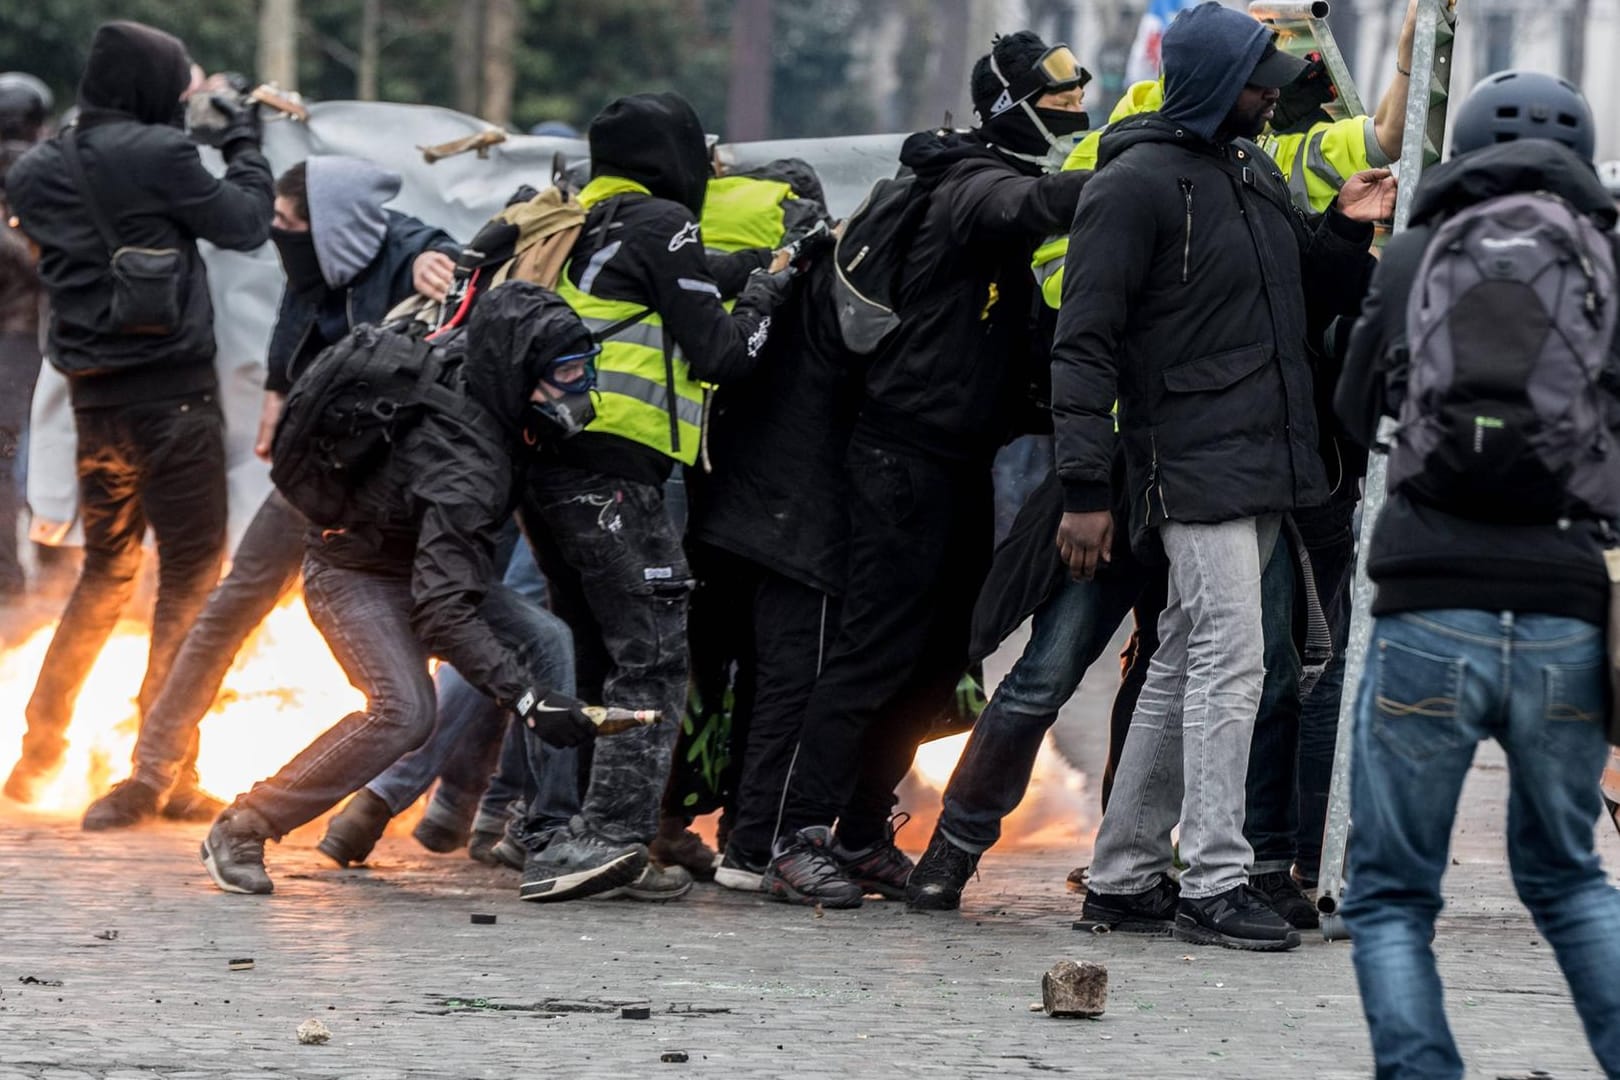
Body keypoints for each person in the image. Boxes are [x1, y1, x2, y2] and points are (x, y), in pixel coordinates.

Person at [1052, 2, 1387, 951]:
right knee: (1230, 667)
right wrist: (1084, 489)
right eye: (1258, 85)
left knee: (1185, 663)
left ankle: (1121, 878)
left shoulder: (1246, 172)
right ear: (1209, 86)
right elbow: (1081, 347)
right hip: (1192, 464)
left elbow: (1297, 293)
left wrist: (1341, 227)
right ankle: (1214, 881)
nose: (1272, 102)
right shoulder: (1131, 186)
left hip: (1265, 463)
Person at [760, 31, 1092, 909]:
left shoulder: (990, 183)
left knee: (940, 660)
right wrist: (1145, 168)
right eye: (1057, 101)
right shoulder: (971, 185)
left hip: (956, 463)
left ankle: (865, 832)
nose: (1071, 114)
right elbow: (1031, 209)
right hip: (899, 459)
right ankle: (796, 837)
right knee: (874, 652)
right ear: (1012, 108)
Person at [1334, 70, 1620, 1076]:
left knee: (1392, 894)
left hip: (1427, 597)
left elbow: (1348, 400)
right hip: (1566, 605)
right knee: (1570, 879)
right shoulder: (1609, 258)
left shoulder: (1415, 251)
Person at [80, 156, 460, 831]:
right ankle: (153, 772)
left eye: (289, 221)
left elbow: (441, 261)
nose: (277, 233)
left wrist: (441, 259)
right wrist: (277, 403)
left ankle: (385, 804)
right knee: (228, 608)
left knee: (407, 650)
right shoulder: (313, 270)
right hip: (310, 479)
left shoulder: (408, 252)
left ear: (333, 224)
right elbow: (291, 343)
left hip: (383, 499)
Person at [200, 283, 604, 895]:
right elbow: (444, 612)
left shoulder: (488, 380)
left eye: (583, 370)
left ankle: (548, 837)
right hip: (354, 572)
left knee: (547, 637)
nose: (581, 390)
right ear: (523, 372)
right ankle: (244, 826)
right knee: (405, 710)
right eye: (567, 374)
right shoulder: (465, 461)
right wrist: (526, 700)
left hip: (417, 562)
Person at [513, 92, 795, 903]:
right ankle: (605, 842)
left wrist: (748, 271)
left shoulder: (564, 223)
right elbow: (722, 354)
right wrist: (770, 296)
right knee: (654, 659)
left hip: (547, 474)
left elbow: (671, 291)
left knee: (588, 655)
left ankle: (547, 828)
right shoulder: (661, 222)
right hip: (616, 478)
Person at [2, 22, 272, 810]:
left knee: (105, 573)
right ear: (152, 85)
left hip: (93, 400)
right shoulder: (162, 156)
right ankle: (164, 767)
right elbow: (246, 222)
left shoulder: (40, 168)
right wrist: (246, 141)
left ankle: (37, 752)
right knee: (191, 575)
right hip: (174, 396)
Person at [0, 71, 51, 602]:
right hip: (22, 337)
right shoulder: (39, 171)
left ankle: (15, 576)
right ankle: (39, 568)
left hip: (22, 336)